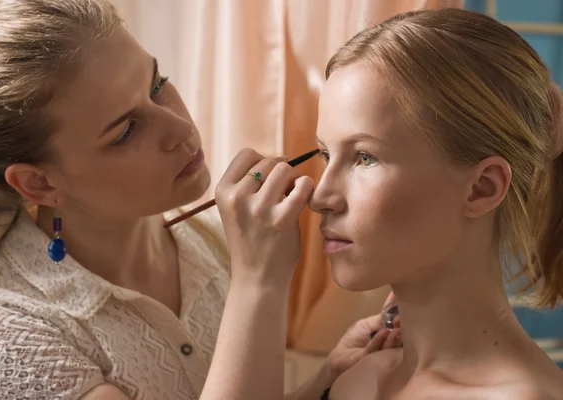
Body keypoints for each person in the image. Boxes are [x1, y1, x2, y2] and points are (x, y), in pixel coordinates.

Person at [0, 1, 402, 399]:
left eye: (157, 85)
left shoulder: (209, 243)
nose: (178, 127)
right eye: (125, 132)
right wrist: (259, 282)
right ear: (38, 184)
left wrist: (328, 376)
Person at [212, 7, 563, 400]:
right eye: (326, 155)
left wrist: (258, 281)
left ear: (482, 188)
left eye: (365, 157)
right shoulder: (354, 378)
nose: (321, 197)